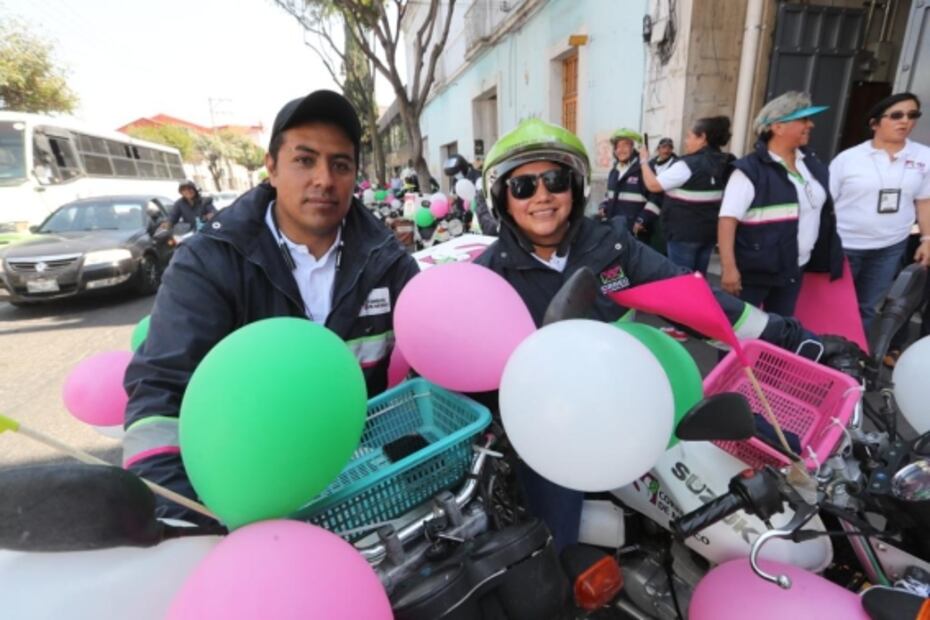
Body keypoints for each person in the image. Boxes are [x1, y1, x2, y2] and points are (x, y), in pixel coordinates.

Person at [475, 118, 831, 550]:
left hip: (631, 392)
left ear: (575, 186)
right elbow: (456, 358)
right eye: (523, 187)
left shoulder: (611, 245)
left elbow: (689, 295)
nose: (543, 196)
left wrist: (791, 335)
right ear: (502, 199)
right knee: (557, 532)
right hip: (552, 420)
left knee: (754, 444)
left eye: (555, 179)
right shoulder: (487, 277)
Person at [123, 90, 420, 523]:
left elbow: (423, 376)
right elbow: (161, 395)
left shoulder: (390, 264)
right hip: (244, 507)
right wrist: (186, 517)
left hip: (368, 495)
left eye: (340, 164)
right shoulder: (209, 262)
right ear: (272, 167)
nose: (324, 179)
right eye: (305, 160)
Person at [717, 91, 843, 316]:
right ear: (777, 127)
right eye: (803, 119)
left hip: (795, 266)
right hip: (756, 270)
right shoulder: (750, 170)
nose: (811, 125)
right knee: (739, 331)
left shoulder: (810, 164)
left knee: (781, 330)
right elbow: (727, 220)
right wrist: (729, 269)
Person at [829, 92, 930, 335]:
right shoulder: (848, 159)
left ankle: (852, 355)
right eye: (896, 115)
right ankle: (825, 355)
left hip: (889, 247)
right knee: (835, 306)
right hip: (845, 246)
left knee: (868, 307)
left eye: (912, 115)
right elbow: (825, 204)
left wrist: (927, 239)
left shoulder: (924, 157)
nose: (905, 121)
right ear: (875, 123)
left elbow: (924, 201)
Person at [639, 116, 734, 276]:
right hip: (709, 233)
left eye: (689, 136)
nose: (685, 141)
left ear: (702, 137)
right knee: (699, 278)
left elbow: (653, 185)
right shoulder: (726, 161)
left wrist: (643, 161)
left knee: (681, 279)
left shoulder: (687, 165)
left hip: (683, 235)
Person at [598, 128, 659, 241]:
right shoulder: (614, 171)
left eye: (625, 145)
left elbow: (656, 199)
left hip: (635, 234)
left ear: (635, 147)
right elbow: (609, 195)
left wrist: (642, 220)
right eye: (617, 146)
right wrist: (603, 206)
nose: (620, 150)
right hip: (614, 229)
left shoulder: (644, 170)